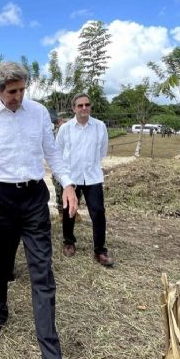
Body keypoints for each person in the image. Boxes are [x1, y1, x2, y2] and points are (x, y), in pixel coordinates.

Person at [0, 61, 77, 359]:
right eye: (12, 91)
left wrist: (67, 183)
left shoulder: (39, 112)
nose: (18, 96)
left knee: (42, 270)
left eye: (22, 90)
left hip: (33, 199)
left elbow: (52, 152)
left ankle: (50, 354)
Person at [56, 93, 114, 267]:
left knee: (98, 212)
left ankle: (100, 251)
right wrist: (64, 177)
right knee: (69, 210)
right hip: (71, 177)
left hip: (92, 176)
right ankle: (69, 242)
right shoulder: (65, 129)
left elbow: (102, 151)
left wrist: (91, 165)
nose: (84, 108)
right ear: (74, 108)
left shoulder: (99, 126)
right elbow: (57, 152)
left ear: (90, 107)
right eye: (80, 105)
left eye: (87, 105)